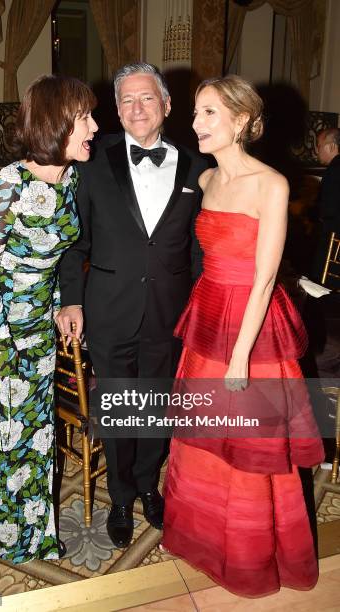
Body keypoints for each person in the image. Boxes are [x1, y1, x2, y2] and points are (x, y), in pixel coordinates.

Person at [162, 75, 325, 597]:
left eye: (208, 113)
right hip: (207, 314)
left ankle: (250, 555)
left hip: (251, 328)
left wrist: (239, 358)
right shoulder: (207, 180)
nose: (195, 124)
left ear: (242, 120)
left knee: (251, 446)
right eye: (195, 113)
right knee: (204, 437)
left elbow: (263, 279)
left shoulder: (271, 185)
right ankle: (200, 538)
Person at [56, 62, 208, 548]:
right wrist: (72, 301)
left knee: (156, 404)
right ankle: (121, 496)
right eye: (126, 99)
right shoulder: (89, 160)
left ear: (166, 106)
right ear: (115, 109)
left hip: (170, 309)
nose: (136, 108)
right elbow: (72, 243)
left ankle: (148, 484)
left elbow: (200, 248)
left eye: (147, 98)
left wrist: (202, 306)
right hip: (108, 307)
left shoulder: (198, 167)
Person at [0, 74, 98, 564]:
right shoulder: (8, 183)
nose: (93, 125)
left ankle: (33, 532)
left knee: (37, 432)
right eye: (84, 116)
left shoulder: (72, 177)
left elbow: (67, 250)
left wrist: (67, 302)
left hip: (39, 322)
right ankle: (1, 532)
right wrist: (1, 345)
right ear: (57, 121)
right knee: (5, 430)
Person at [311, 127, 340, 283]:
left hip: (333, 238)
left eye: (319, 145)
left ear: (331, 146)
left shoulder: (334, 170)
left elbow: (327, 208)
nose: (317, 150)